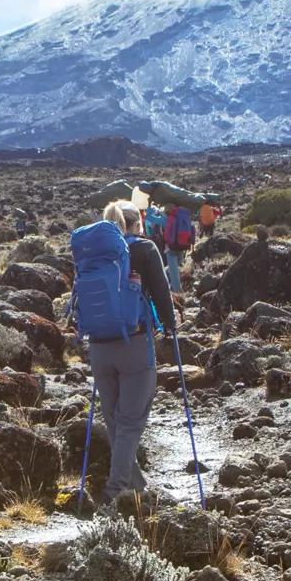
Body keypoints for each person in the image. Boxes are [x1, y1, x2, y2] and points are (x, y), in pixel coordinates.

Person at [75, 200, 179, 508]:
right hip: (134, 345)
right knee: (131, 422)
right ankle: (114, 491)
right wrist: (171, 326)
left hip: (98, 347)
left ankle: (135, 486)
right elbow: (162, 296)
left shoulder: (91, 252)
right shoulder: (145, 250)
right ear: (136, 225)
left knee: (116, 422)